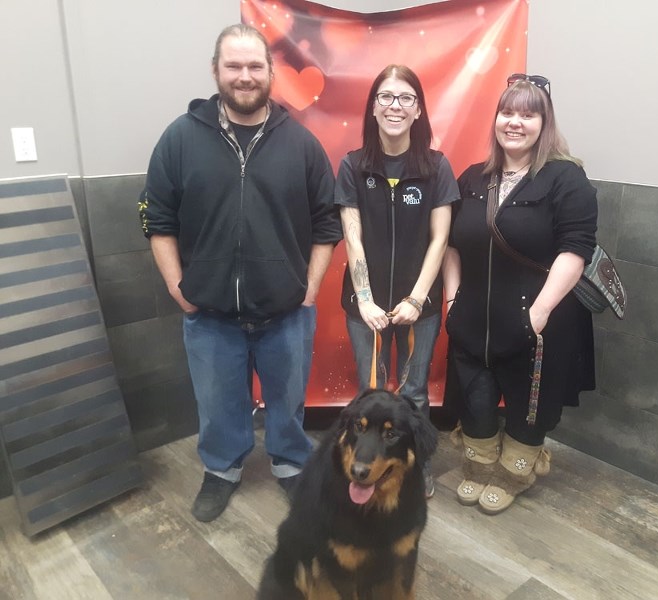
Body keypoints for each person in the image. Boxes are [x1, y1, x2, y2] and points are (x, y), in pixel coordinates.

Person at [138, 24, 341, 522]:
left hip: (287, 313)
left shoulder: (302, 144)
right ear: (216, 71)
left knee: (288, 402)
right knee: (217, 405)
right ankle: (222, 470)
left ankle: (292, 464)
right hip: (209, 314)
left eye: (255, 66)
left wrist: (310, 288)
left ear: (271, 73)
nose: (245, 76)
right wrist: (175, 285)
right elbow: (157, 219)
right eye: (234, 66)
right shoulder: (180, 139)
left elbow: (326, 223)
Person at [442, 73, 597, 515]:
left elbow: (575, 250)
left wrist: (540, 312)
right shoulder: (473, 178)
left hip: (539, 317)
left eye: (528, 115)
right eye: (508, 112)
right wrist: (452, 299)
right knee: (475, 397)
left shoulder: (566, 178)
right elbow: (452, 244)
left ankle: (515, 472)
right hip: (472, 314)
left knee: (532, 402)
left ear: (544, 123)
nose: (515, 122)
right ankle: (478, 466)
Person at [335, 65, 459, 498]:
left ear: (418, 109)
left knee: (415, 394)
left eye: (405, 98)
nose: (395, 106)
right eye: (386, 97)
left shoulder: (436, 167)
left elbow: (440, 238)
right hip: (363, 309)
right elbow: (352, 237)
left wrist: (417, 299)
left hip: (418, 308)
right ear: (373, 107)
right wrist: (366, 301)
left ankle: (417, 464)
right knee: (370, 395)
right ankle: (364, 465)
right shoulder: (352, 166)